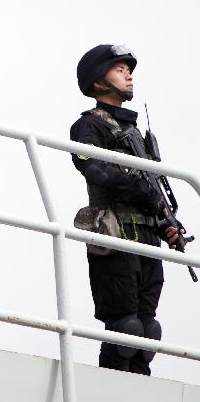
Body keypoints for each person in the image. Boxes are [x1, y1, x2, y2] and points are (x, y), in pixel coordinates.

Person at [71, 44, 182, 375]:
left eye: (128, 69)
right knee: (126, 330)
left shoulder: (136, 134)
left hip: (148, 237)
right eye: (119, 69)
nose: (128, 74)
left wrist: (166, 224)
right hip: (115, 235)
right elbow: (92, 166)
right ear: (98, 81)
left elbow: (153, 188)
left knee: (148, 333)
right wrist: (142, 189)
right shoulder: (89, 126)